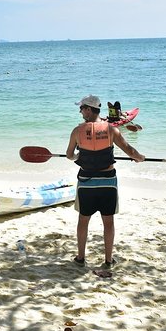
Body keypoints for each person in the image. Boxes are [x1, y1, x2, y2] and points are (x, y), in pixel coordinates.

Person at [66, 95, 145, 269]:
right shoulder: (111, 130)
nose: (80, 112)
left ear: (88, 109)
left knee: (83, 220)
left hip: (86, 182)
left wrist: (79, 155)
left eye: (81, 108)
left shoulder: (77, 131)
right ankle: (108, 260)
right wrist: (139, 158)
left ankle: (80, 258)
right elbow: (130, 151)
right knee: (108, 222)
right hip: (108, 183)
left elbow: (70, 155)